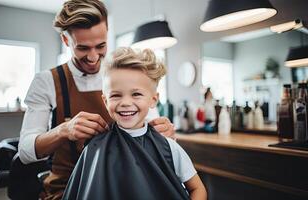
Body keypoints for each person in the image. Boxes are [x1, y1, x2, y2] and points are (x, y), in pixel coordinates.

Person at [18, 0, 174, 199]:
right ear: (66, 41)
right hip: (68, 189)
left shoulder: (123, 73)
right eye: (83, 48)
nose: (93, 57)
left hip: (128, 185)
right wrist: (63, 131)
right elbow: (25, 152)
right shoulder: (46, 81)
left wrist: (163, 132)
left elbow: (149, 122)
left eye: (101, 46)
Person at [62, 47, 207, 200]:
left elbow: (197, 188)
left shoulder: (169, 147)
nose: (125, 103)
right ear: (105, 101)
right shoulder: (95, 148)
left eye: (136, 94)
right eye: (116, 95)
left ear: (153, 100)